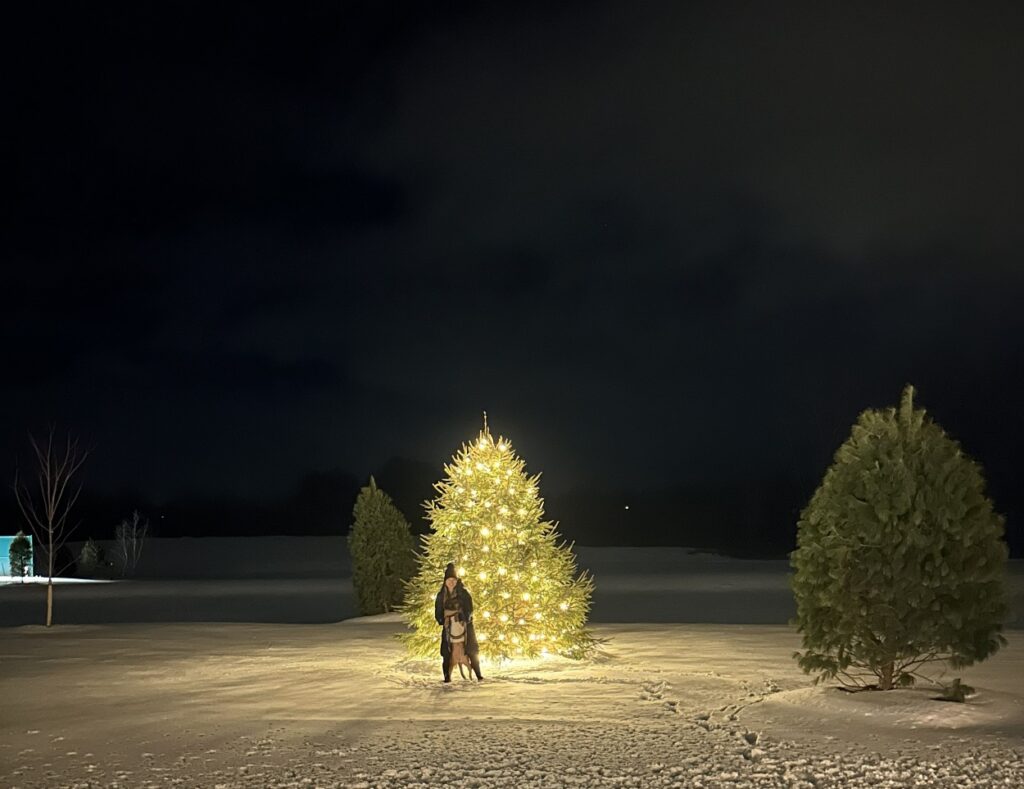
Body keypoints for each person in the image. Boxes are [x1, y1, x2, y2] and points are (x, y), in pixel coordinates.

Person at [434, 562, 484, 682]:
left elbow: (469, 608)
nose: (451, 582)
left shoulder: (463, 593)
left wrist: (465, 617)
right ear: (445, 581)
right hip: (448, 625)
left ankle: (478, 674)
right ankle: (447, 676)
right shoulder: (441, 595)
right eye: (449, 580)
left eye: (453, 580)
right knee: (446, 651)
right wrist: (441, 619)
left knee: (471, 649)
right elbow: (438, 610)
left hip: (464, 624)